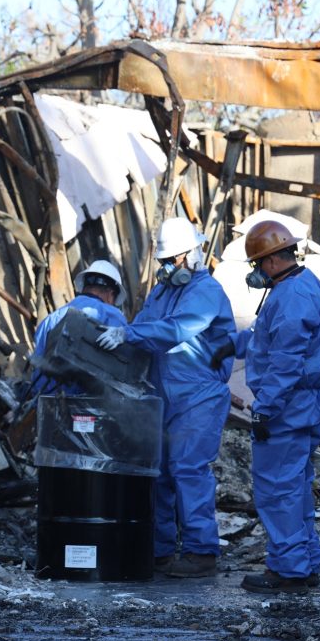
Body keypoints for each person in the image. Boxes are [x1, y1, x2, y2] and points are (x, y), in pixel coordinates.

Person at [96, 217, 235, 578]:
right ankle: (158, 551)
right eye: (163, 261)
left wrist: (128, 335)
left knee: (188, 470)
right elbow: (143, 325)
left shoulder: (206, 292)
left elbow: (175, 330)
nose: (167, 267)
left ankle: (201, 552)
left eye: (172, 260)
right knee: (158, 475)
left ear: (193, 255)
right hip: (164, 396)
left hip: (198, 396)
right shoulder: (162, 292)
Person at [212, 219, 320, 594]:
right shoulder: (299, 286)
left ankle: (288, 570)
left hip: (288, 407)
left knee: (276, 491)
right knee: (296, 487)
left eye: (255, 266)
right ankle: (306, 559)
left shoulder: (290, 297)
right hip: (306, 404)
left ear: (268, 262)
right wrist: (234, 344)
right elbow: (267, 335)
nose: (256, 273)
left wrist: (265, 409)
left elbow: (284, 362)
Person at [28, 259, 128, 395]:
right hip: (86, 406)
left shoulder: (50, 319)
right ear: (111, 294)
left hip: (45, 402)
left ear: (85, 287)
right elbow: (123, 370)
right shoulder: (112, 315)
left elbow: (38, 364)